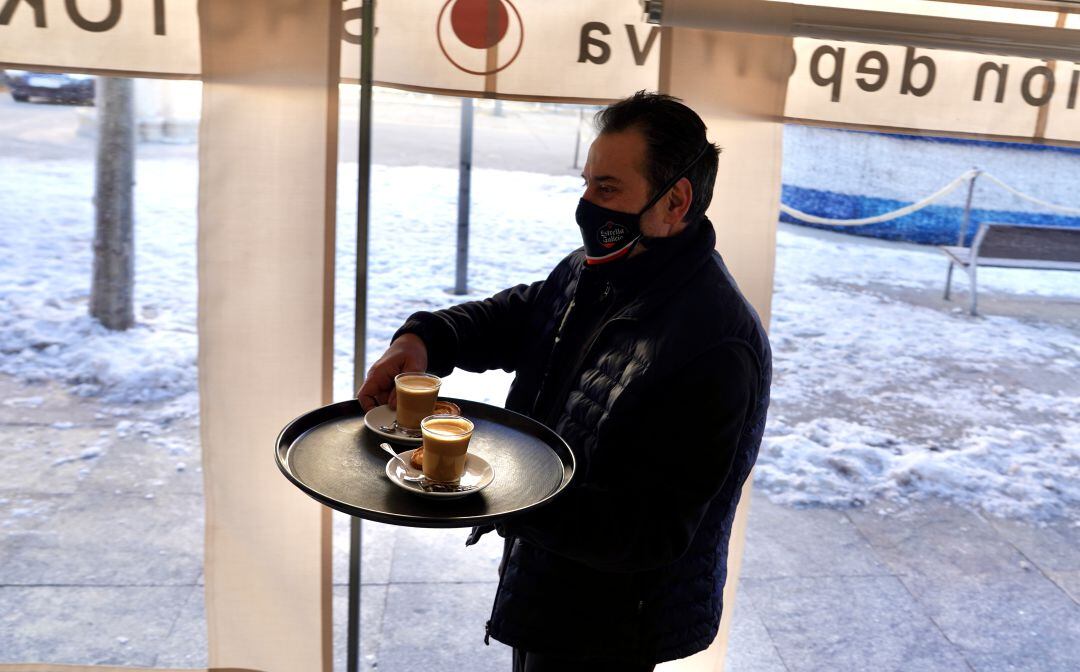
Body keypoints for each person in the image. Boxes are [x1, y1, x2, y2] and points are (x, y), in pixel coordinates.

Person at [357, 91, 771, 671]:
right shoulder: (603, 269)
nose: (586, 206)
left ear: (675, 201)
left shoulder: (714, 343)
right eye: (587, 184)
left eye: (607, 189)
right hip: (548, 577)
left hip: (612, 623)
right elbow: (521, 316)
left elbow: (650, 533)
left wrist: (495, 487)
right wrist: (424, 339)